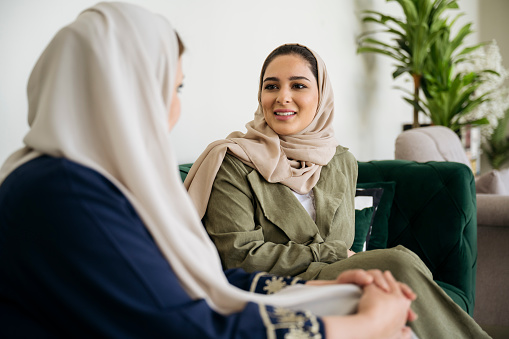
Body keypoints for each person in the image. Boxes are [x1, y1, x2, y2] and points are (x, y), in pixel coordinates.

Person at [0, 3, 422, 338]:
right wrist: (363, 327)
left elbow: (199, 279)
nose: (175, 109)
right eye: (174, 87)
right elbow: (190, 327)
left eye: (299, 85)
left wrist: (314, 290)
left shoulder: (90, 184)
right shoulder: (65, 195)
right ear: (122, 90)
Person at [184, 44, 491, 338]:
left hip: (337, 276)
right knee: (395, 264)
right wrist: (332, 254)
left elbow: (340, 240)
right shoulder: (232, 161)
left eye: (299, 86)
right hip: (277, 287)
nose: (282, 97)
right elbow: (239, 257)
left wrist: (341, 258)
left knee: (395, 269)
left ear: (322, 95)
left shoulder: (339, 160)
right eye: (272, 86)